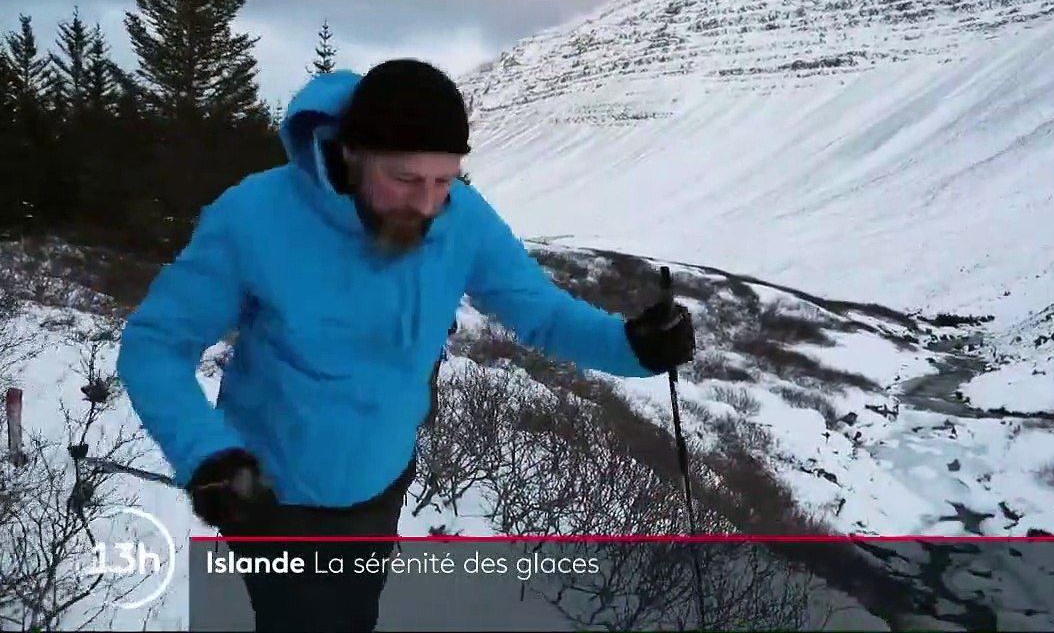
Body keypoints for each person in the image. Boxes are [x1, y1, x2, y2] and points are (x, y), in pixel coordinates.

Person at [115, 59, 696, 632]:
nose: (426, 204)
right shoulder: (254, 217)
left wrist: (631, 346)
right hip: (273, 496)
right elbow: (155, 345)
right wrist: (208, 455)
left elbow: (538, 311)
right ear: (350, 153)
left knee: (355, 612)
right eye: (405, 179)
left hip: (384, 479)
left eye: (443, 180)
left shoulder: (460, 218)